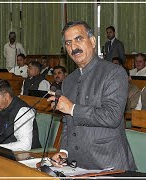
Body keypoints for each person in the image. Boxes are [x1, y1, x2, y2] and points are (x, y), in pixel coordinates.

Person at [49, 21, 136, 171]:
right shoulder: (68, 81)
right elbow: (67, 122)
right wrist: (64, 151)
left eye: (78, 39)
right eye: (68, 43)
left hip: (109, 165)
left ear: (93, 41)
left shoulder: (114, 72)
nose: (73, 47)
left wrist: (73, 109)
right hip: (77, 166)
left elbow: (112, 116)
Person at [0, 79, 41, 151]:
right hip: (0, 151)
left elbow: (25, 145)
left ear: (7, 96)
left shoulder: (23, 111)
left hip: (26, 155)